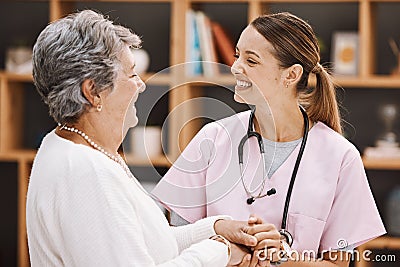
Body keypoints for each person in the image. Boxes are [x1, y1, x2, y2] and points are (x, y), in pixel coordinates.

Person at [26, 9, 275, 266]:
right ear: (93, 92)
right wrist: (220, 251)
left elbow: (151, 244)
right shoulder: (87, 173)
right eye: (131, 74)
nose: (141, 85)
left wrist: (217, 228)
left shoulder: (65, 147)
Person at [153, 12, 386, 266]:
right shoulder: (212, 139)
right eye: (237, 55)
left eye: (251, 61)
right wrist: (223, 242)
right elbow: (173, 243)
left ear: (291, 75)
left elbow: (339, 264)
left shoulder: (341, 157)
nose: (235, 68)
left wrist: (285, 259)